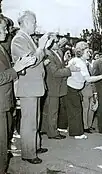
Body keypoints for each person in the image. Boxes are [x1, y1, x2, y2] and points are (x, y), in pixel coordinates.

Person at [11, 10, 54, 164]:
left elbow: (36, 58)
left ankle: (34, 146)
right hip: (28, 86)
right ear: (27, 22)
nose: (36, 25)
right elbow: (31, 60)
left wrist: (43, 47)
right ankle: (28, 153)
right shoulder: (18, 40)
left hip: (34, 85)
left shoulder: (26, 38)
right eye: (35, 22)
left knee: (35, 120)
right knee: (29, 122)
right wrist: (41, 47)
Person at [0, 13, 36, 173]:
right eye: (3, 28)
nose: (7, 31)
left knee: (4, 141)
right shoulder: (14, 41)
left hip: (5, 100)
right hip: (1, 102)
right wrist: (16, 69)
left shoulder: (1, 47)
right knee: (1, 143)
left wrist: (17, 68)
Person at [66, 41, 102, 139]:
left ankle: (75, 132)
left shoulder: (77, 60)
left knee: (75, 111)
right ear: (80, 52)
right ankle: (77, 133)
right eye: (87, 52)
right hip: (72, 89)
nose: (89, 54)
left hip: (73, 89)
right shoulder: (80, 63)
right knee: (76, 111)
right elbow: (88, 79)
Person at [42, 34, 80, 139]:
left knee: (52, 110)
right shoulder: (48, 54)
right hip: (52, 86)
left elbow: (60, 67)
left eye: (57, 40)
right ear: (49, 43)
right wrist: (70, 70)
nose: (58, 43)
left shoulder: (57, 52)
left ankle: (48, 129)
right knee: (52, 111)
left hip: (58, 86)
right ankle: (52, 133)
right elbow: (55, 72)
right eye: (55, 41)